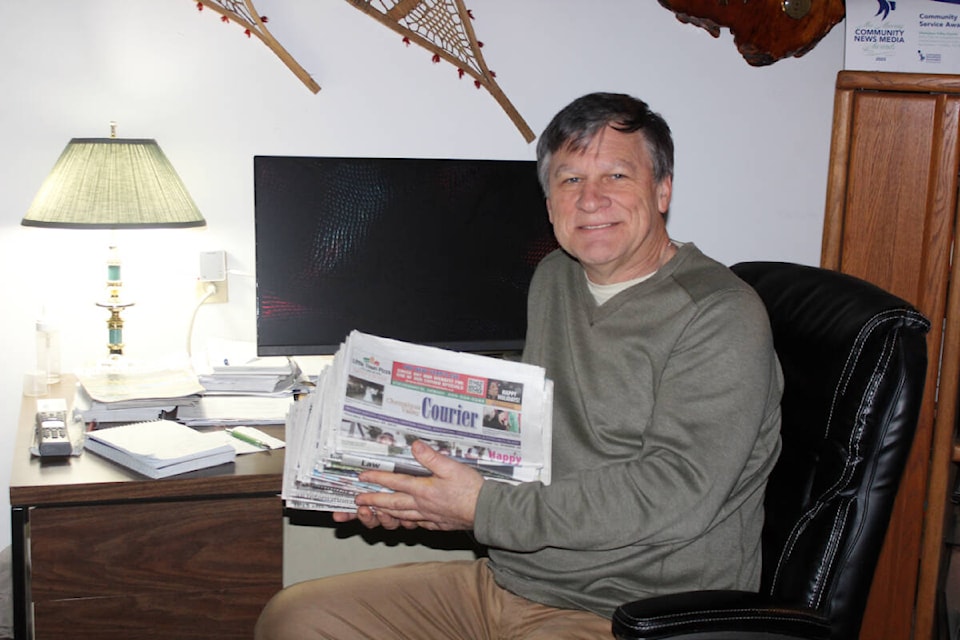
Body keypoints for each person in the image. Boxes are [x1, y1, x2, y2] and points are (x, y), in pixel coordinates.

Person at [255, 92, 783, 639]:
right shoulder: (555, 276)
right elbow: (528, 441)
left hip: (632, 610)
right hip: (513, 579)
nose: (591, 199)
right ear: (549, 202)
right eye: (570, 180)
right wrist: (417, 493)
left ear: (663, 189)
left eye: (617, 176)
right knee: (296, 620)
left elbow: (673, 492)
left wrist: (482, 509)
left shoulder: (721, 314)